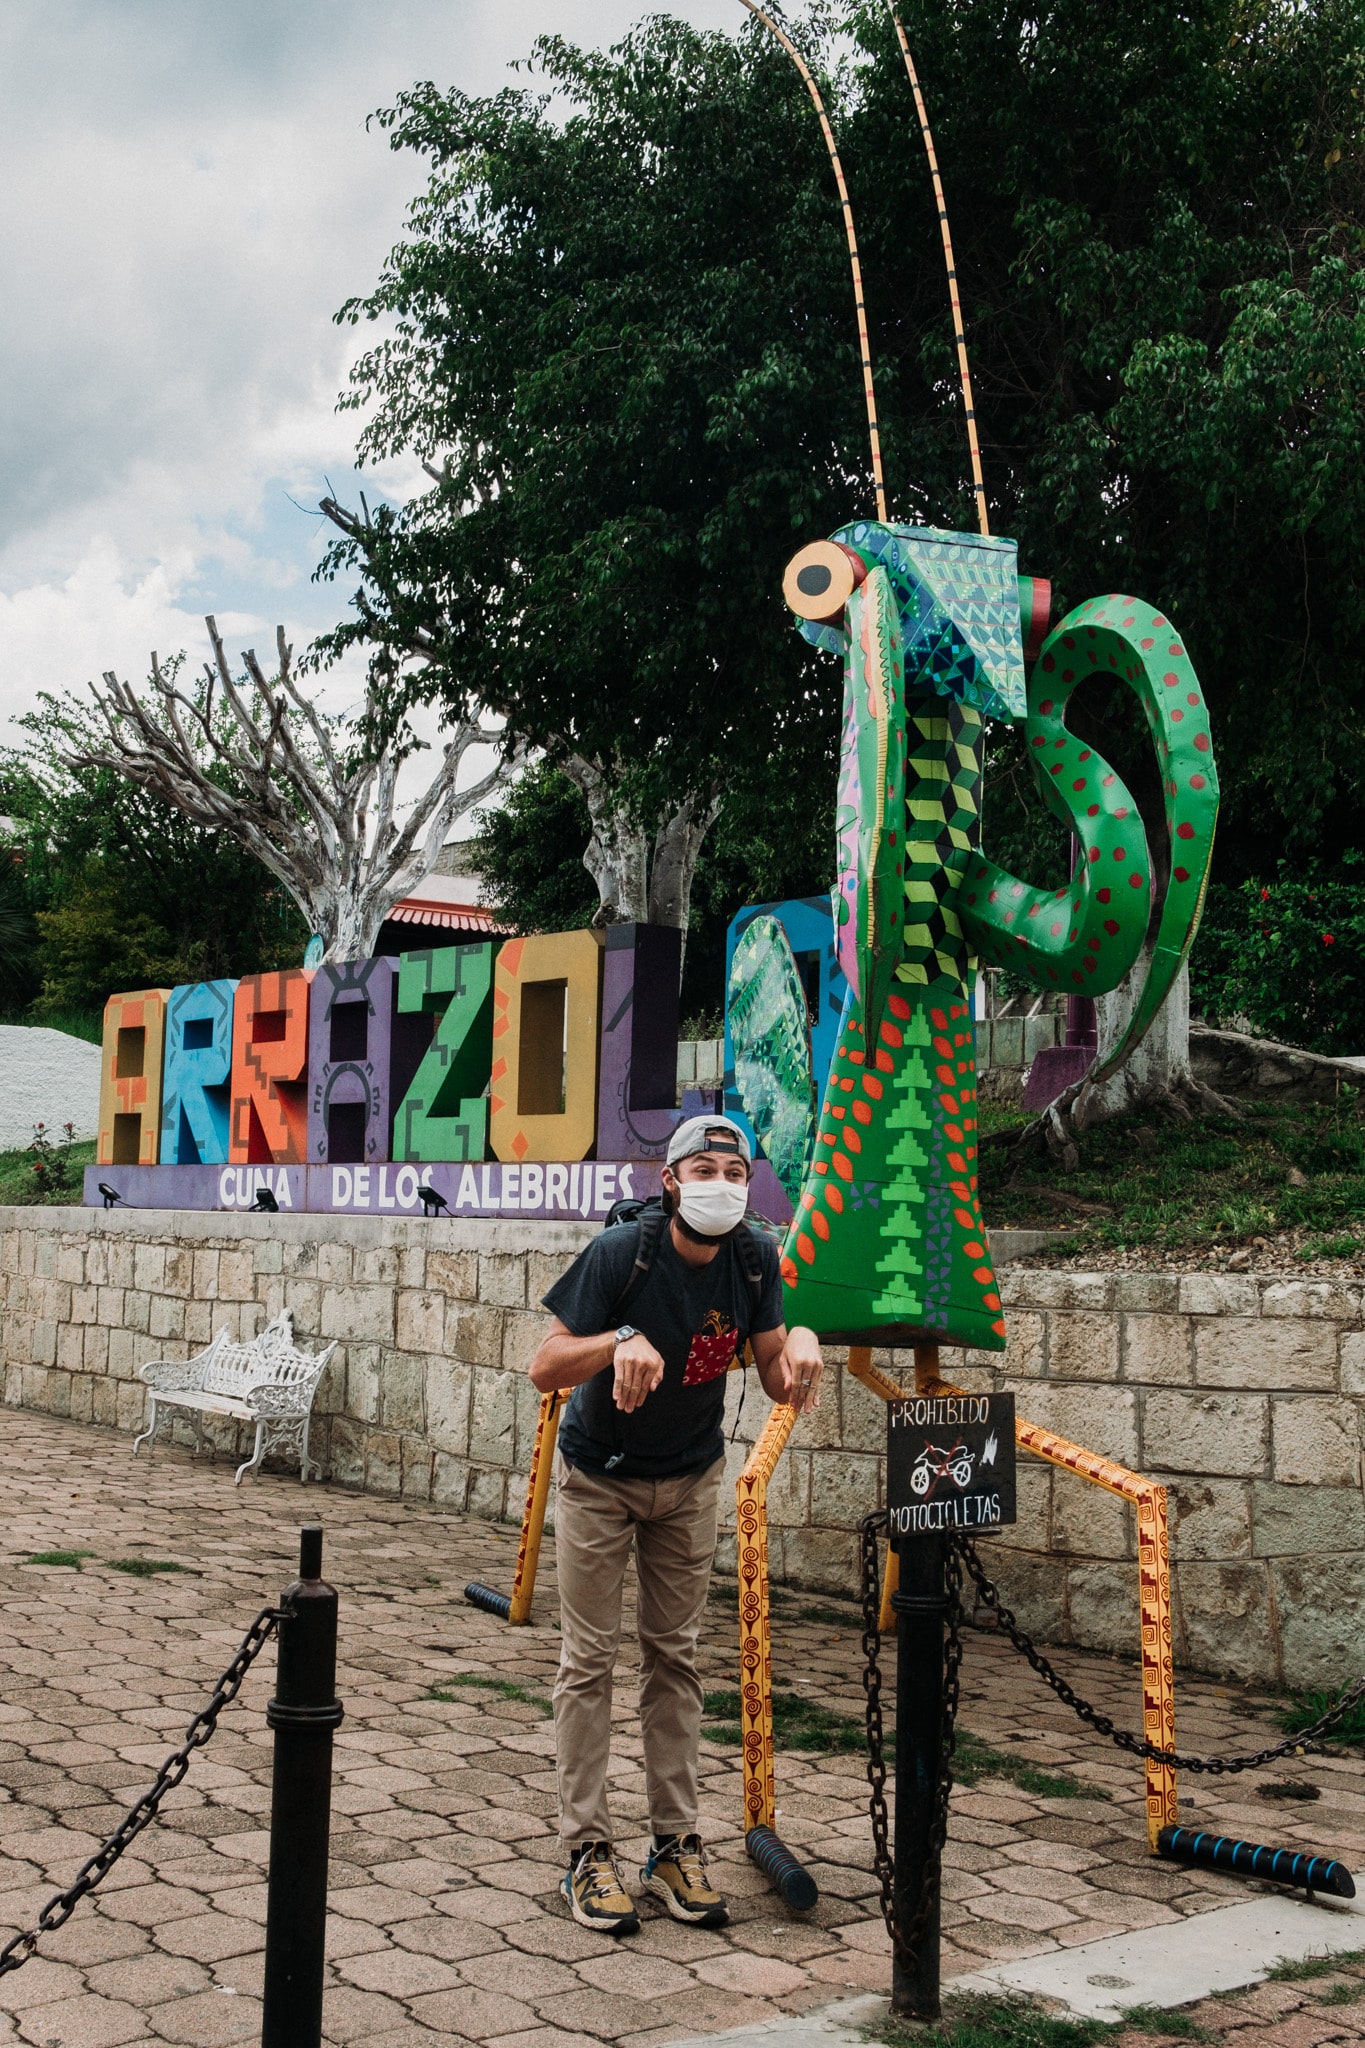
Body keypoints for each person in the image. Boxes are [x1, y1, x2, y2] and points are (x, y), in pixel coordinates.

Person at [529, 1114, 825, 1936]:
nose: (719, 1185)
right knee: (589, 1661)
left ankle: (672, 1847)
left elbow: (775, 1375)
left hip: (689, 1479)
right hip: (600, 1478)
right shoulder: (621, 1252)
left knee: (675, 1658)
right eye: (703, 1169)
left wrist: (802, 1338)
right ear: (670, 1181)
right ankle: (586, 1851)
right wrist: (617, 1340)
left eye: (733, 1172)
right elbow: (544, 1366)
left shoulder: (754, 1257)